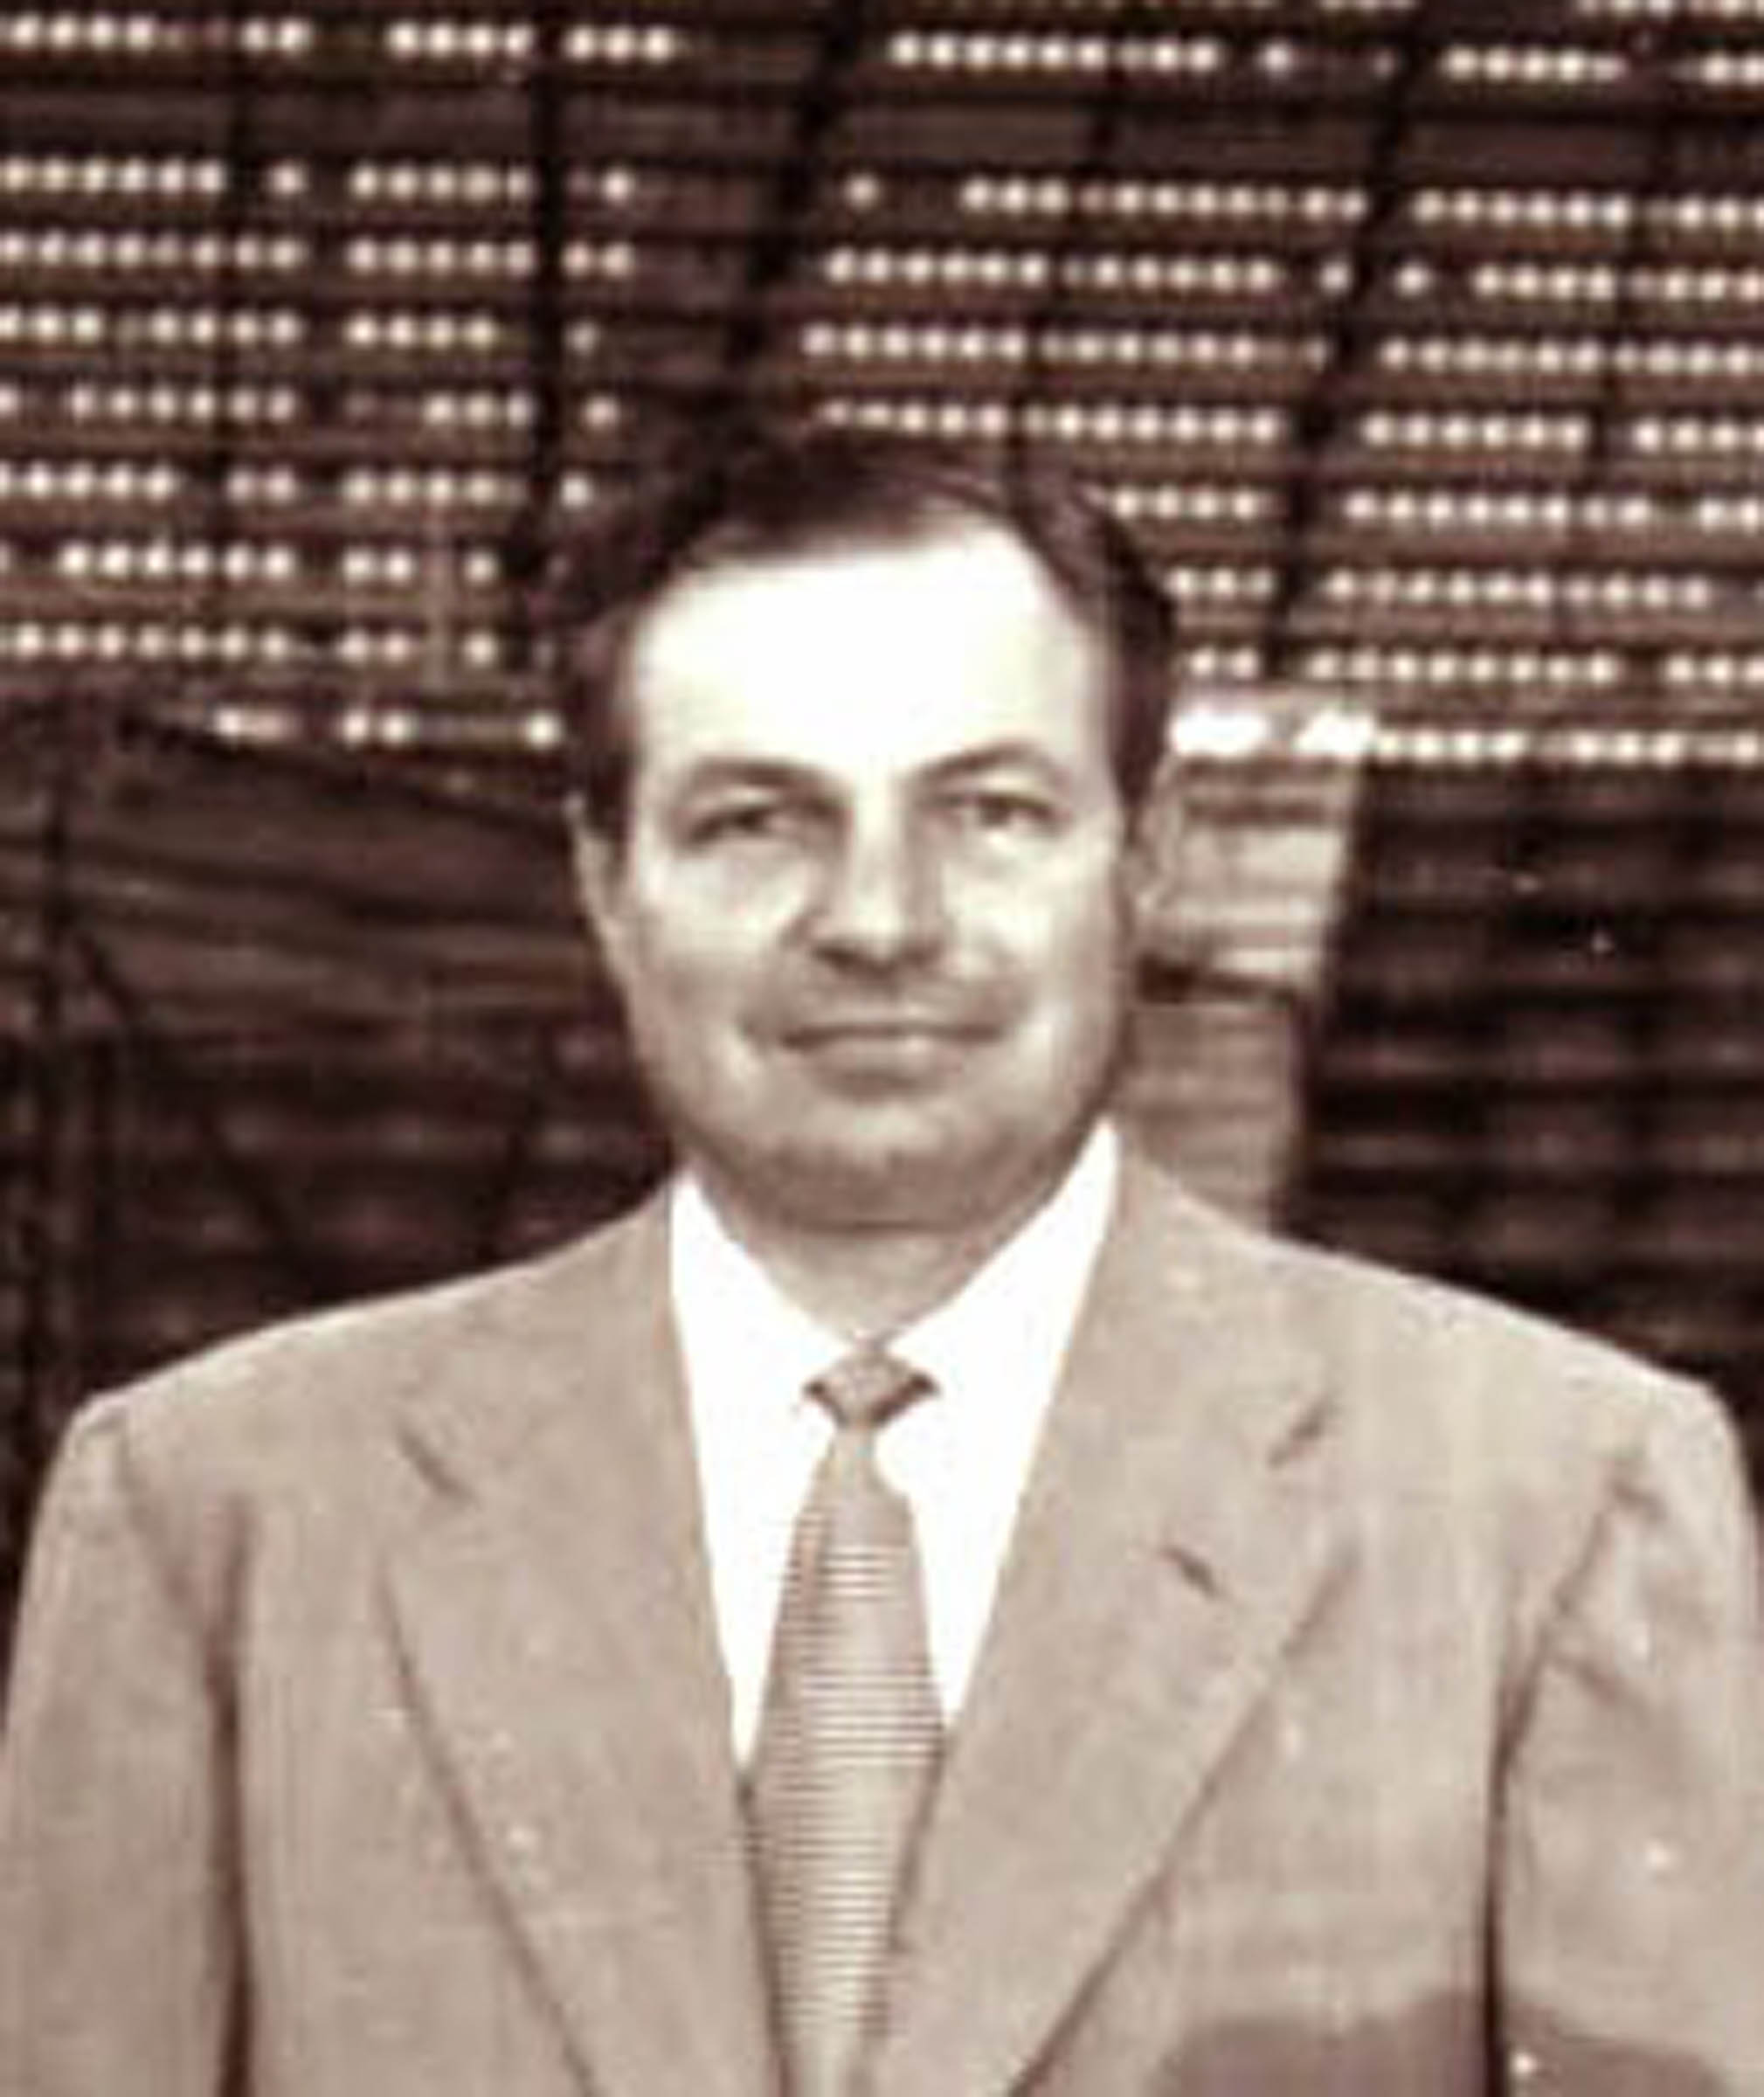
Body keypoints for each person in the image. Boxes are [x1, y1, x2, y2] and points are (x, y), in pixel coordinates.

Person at [3, 423, 1763, 2097]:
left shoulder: (1556, 1506)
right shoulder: (208, 1518)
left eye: (987, 812)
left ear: (1148, 860)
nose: (878, 921)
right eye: (755, 821)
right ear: (606, 883)